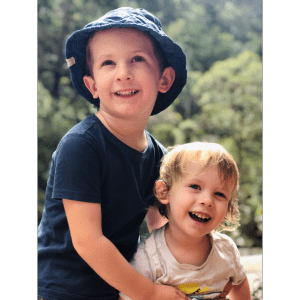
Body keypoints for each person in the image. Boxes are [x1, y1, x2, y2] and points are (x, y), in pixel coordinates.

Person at [38, 7, 188, 300]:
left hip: (114, 289)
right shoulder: (82, 145)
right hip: (61, 288)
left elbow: (164, 233)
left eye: (137, 59)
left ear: (164, 80)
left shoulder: (160, 157)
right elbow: (89, 241)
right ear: (92, 85)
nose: (124, 74)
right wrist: (151, 293)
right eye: (108, 63)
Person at [119, 142, 251, 300]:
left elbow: (240, 285)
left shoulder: (226, 250)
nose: (207, 200)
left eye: (220, 194)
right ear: (164, 191)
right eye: (195, 186)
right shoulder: (147, 257)